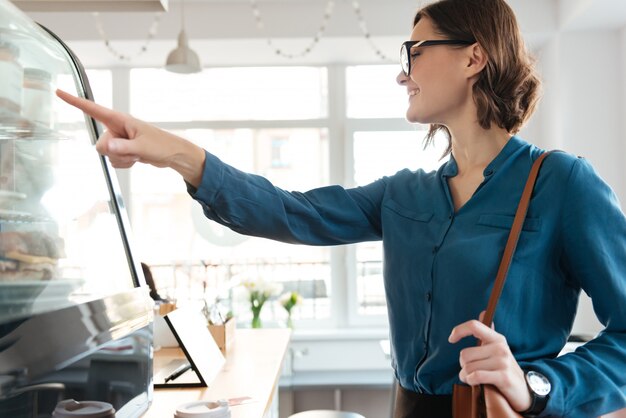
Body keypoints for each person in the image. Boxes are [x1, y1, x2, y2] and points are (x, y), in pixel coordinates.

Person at [56, 0, 626, 416]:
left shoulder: (561, 184)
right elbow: (292, 212)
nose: (402, 73)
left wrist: (538, 385)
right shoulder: (405, 194)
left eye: (415, 51)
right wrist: (174, 152)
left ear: (474, 56)